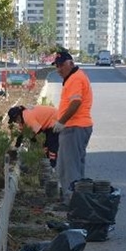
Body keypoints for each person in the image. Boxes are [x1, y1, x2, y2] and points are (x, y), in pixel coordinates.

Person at [51, 51, 93, 204]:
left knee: (70, 170)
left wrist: (61, 121)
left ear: (71, 63)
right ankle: (75, 203)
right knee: (67, 167)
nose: (59, 69)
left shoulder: (75, 79)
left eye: (61, 65)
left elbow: (75, 103)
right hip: (75, 128)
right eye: (56, 66)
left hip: (75, 127)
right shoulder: (73, 78)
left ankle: (74, 205)